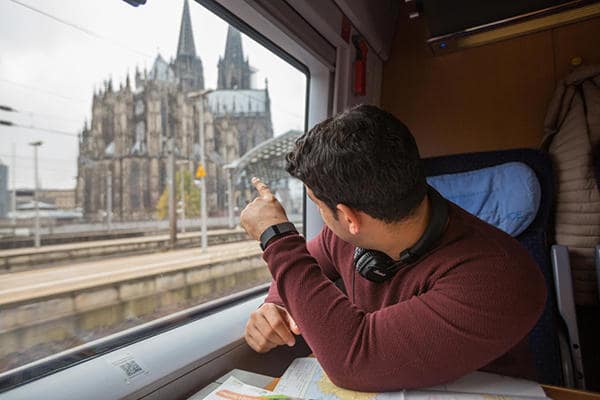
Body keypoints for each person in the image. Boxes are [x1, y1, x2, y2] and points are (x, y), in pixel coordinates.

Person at [240, 104, 547, 392]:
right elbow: (305, 265)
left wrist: (275, 236)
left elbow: (355, 358)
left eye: (318, 206)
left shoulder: (500, 277)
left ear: (349, 217)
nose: (321, 217)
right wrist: (276, 304)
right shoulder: (346, 237)